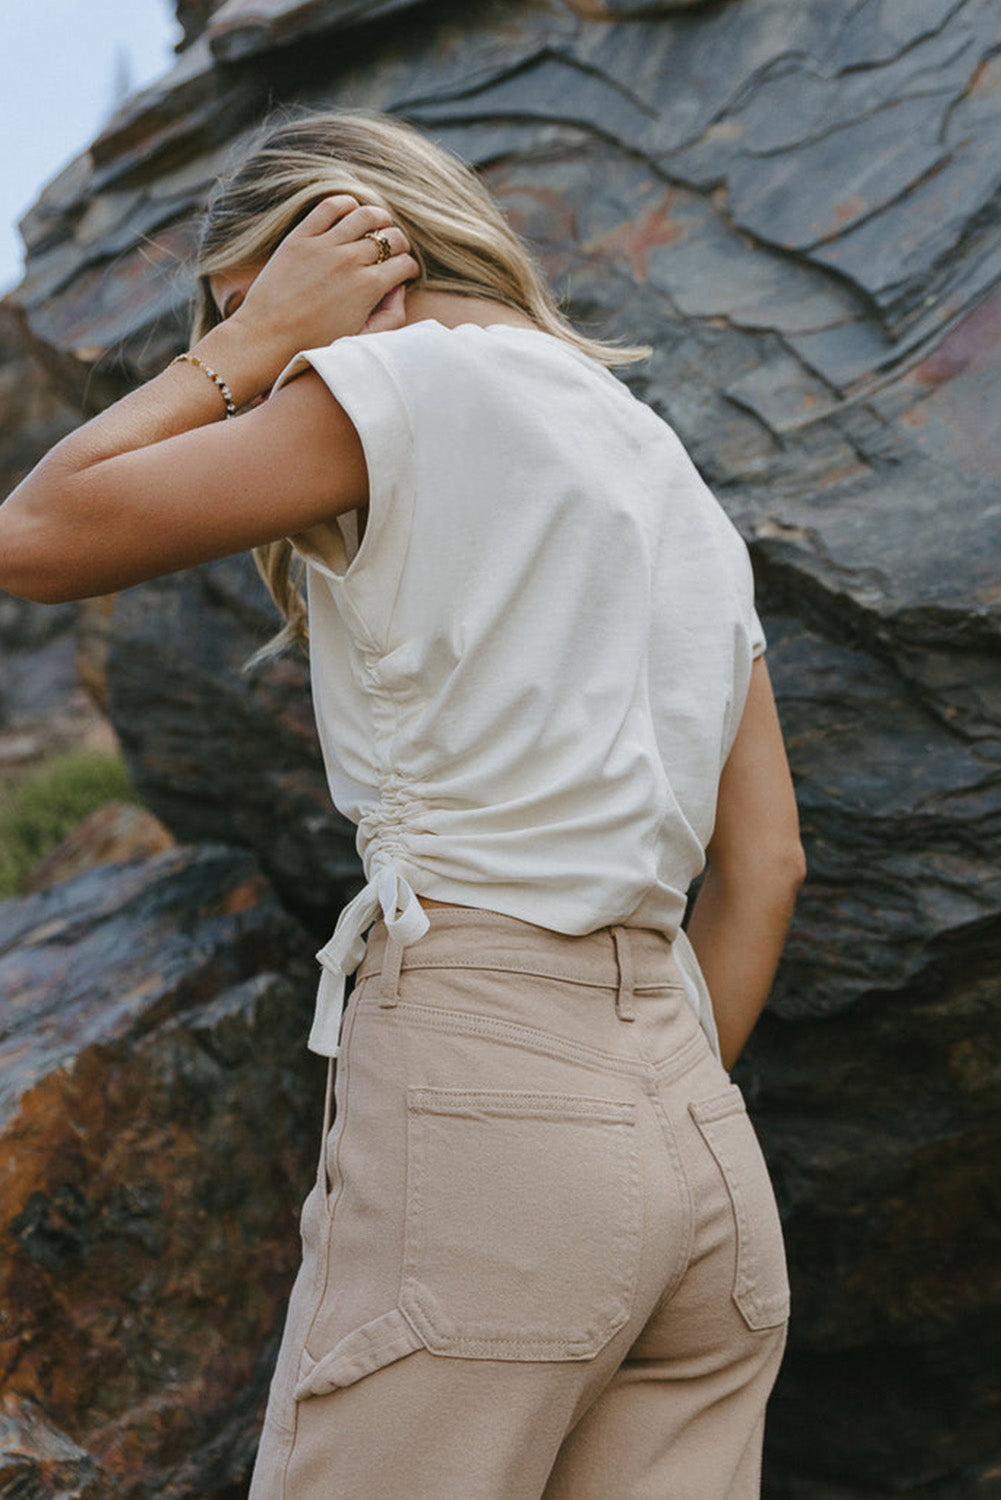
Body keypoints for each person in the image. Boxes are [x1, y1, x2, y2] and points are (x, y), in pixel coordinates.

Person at [0, 107, 806, 1499]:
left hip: (490, 1112)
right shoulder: (662, 468)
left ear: (339, 250)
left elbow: (34, 537)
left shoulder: (405, 388)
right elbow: (769, 865)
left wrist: (241, 346)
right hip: (696, 1159)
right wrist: (630, 1132)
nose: (262, 395)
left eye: (251, 314)